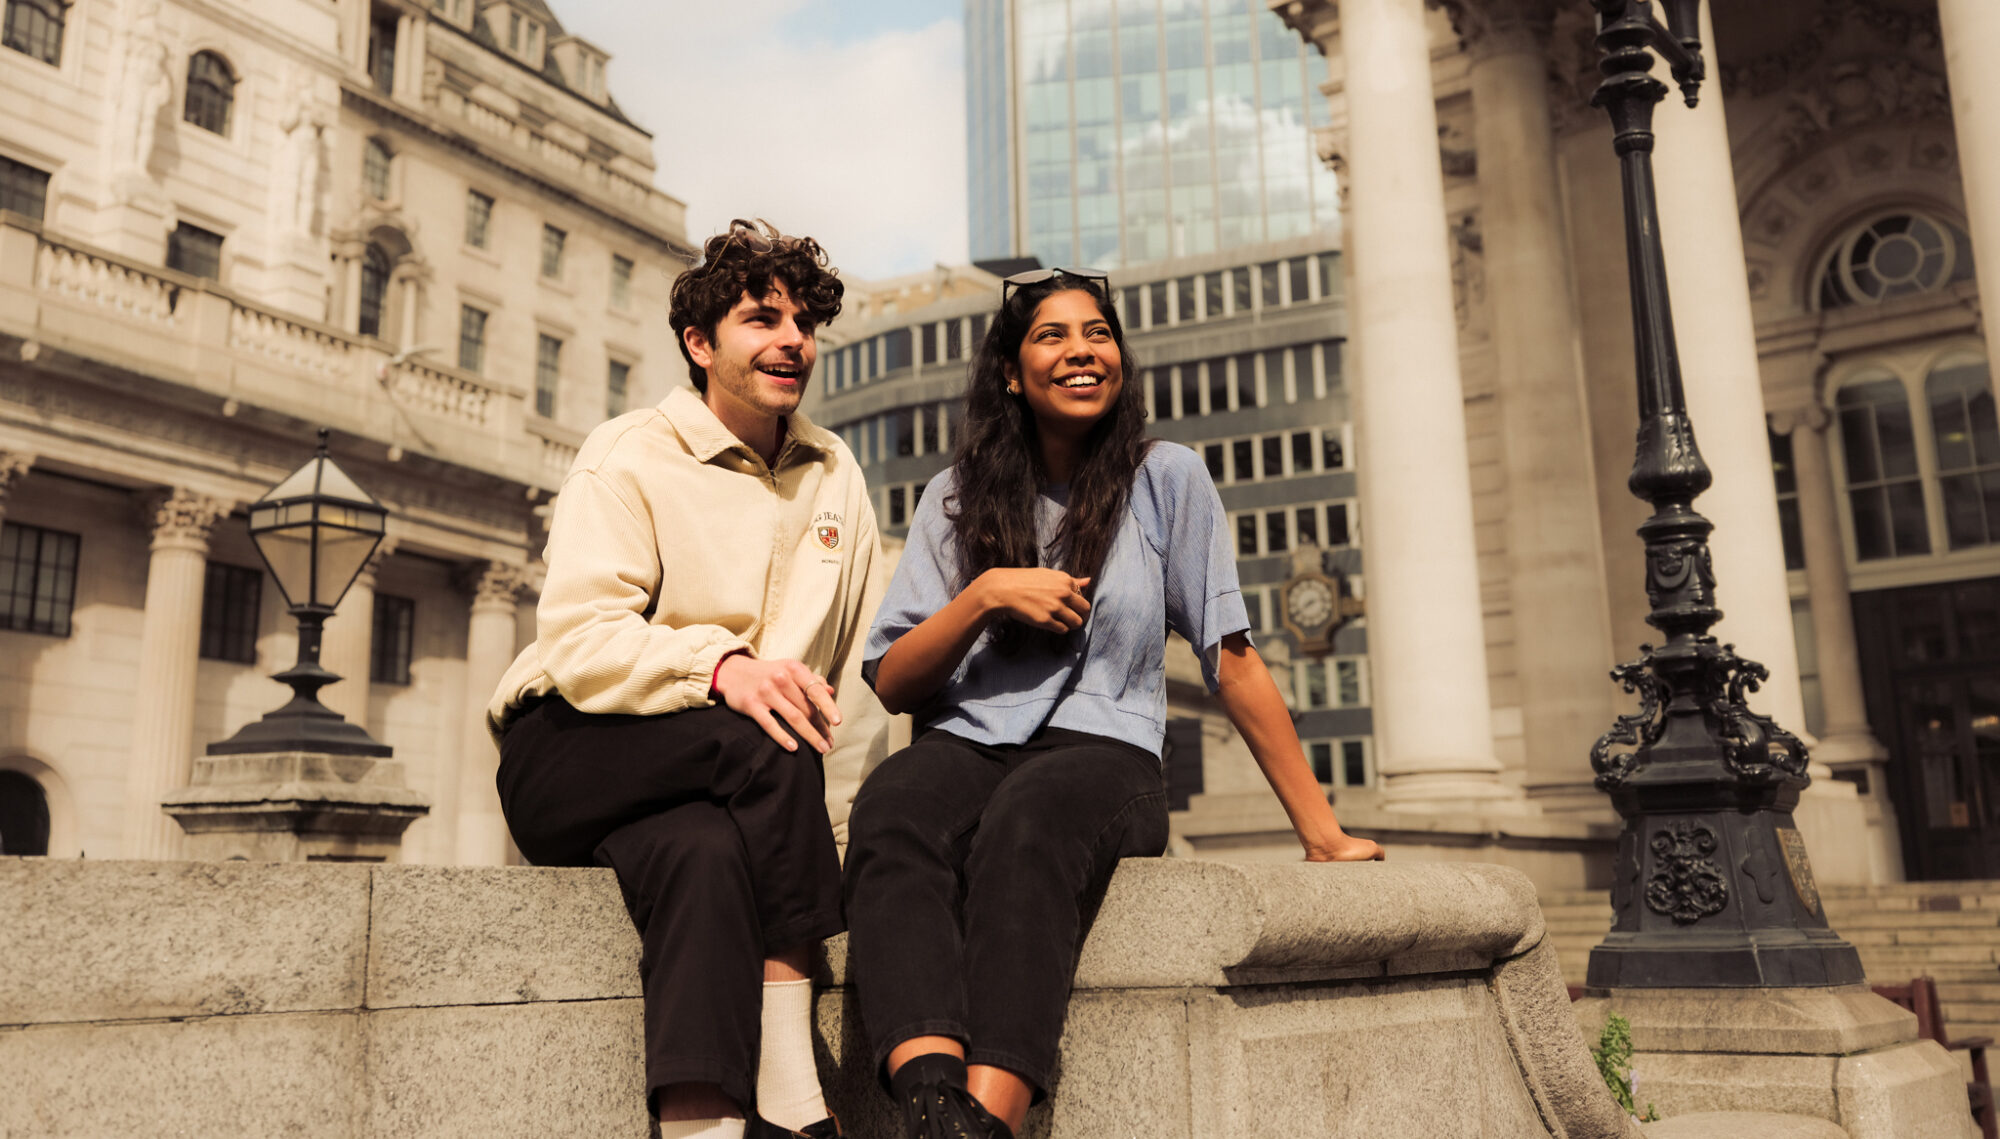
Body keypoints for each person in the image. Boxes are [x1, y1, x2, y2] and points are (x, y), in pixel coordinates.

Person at [842, 268, 1386, 1139]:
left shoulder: (1166, 478)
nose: (1083, 351)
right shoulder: (956, 495)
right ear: (1012, 374)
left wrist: (1321, 832)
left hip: (1104, 755)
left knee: (1030, 820)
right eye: (1052, 336)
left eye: (1098, 333)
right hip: (966, 745)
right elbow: (894, 678)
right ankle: (934, 1104)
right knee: (891, 804)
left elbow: (1232, 660)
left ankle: (993, 1118)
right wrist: (984, 596)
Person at [485, 220, 887, 1139]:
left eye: (804, 322)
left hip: (726, 782)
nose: (792, 339)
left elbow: (848, 680)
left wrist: (834, 842)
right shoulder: (627, 451)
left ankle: (699, 1127)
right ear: (699, 344)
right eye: (760, 318)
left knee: (706, 857)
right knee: (770, 712)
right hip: (572, 748)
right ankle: (793, 1091)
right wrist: (721, 664)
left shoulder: (836, 473)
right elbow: (581, 640)